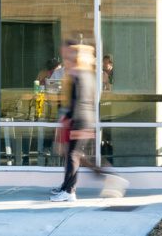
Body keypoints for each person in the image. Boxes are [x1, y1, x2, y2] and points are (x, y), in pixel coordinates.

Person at [51, 38, 128, 202]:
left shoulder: (76, 75)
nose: (68, 58)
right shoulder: (88, 75)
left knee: (73, 154)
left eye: (72, 56)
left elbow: (75, 101)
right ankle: (69, 186)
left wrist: (68, 120)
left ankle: (70, 190)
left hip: (77, 119)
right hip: (86, 118)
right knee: (78, 155)